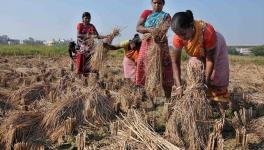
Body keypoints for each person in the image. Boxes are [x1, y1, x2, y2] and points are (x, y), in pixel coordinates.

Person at [170, 10, 230, 115]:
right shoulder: (178, 37)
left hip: (215, 45)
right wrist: (179, 86)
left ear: (191, 26)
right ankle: (203, 106)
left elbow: (210, 60)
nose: (181, 37)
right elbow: (175, 62)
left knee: (217, 76)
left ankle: (222, 114)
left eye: (183, 34)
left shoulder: (208, 32)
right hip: (197, 52)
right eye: (178, 35)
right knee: (195, 70)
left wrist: (206, 81)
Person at [135, 0, 173, 98]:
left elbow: (163, 30)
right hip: (147, 44)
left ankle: (168, 99)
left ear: (163, 4)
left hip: (161, 45)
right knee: (141, 64)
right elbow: (138, 27)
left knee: (165, 68)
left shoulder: (167, 16)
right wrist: (150, 30)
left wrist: (157, 35)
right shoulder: (146, 13)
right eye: (155, 2)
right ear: (152, 3)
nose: (157, 5)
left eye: (159, 3)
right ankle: (141, 95)